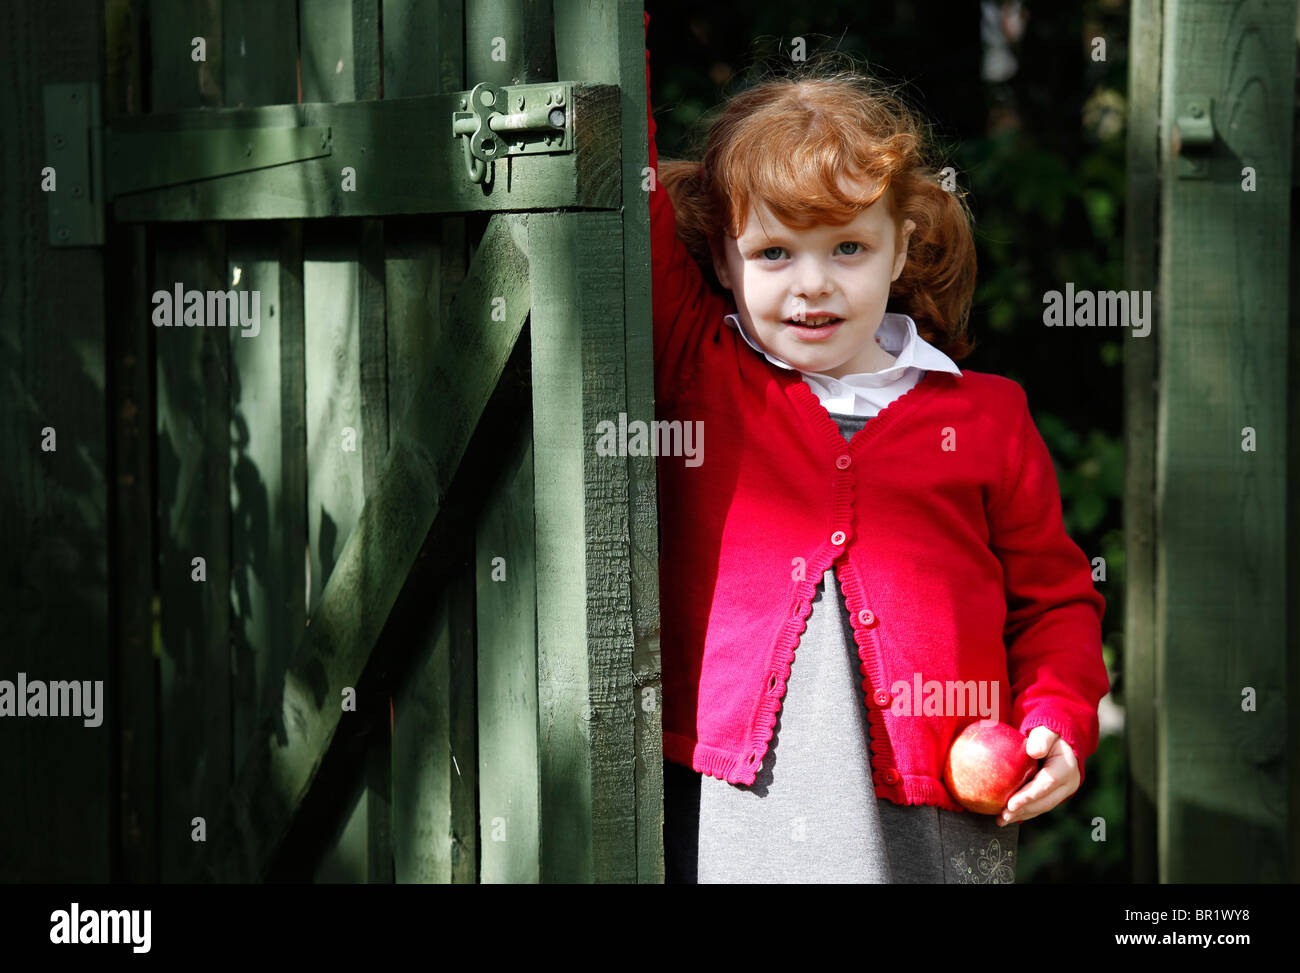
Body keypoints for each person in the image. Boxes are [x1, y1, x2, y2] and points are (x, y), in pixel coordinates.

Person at [644, 11, 1109, 884]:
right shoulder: (701, 369)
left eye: (849, 247)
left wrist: (1058, 716)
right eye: (773, 252)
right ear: (721, 258)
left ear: (903, 247)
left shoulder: (987, 418)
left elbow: (1055, 602)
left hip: (932, 828)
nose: (812, 284)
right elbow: (628, 152)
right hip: (733, 813)